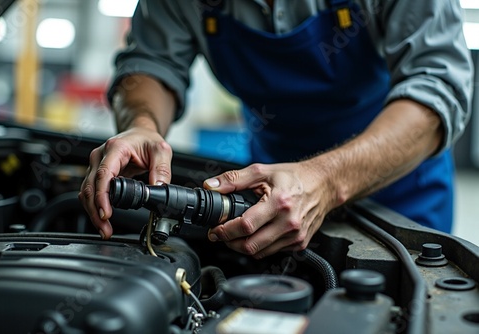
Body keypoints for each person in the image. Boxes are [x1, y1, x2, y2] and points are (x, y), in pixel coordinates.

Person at [79, 0, 473, 259]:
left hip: (398, 197)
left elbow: (438, 85)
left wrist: (325, 180)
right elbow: (150, 63)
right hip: (272, 196)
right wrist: (141, 125)